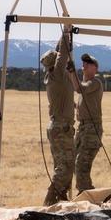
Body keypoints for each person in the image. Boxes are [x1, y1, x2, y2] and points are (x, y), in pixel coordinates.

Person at [40, 23, 76, 205]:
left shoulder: (54, 77)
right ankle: (50, 199)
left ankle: (60, 198)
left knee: (63, 165)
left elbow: (61, 53)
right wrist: (66, 32)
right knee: (66, 166)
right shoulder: (56, 77)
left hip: (60, 126)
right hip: (62, 127)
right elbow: (62, 54)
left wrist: (64, 37)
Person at [67, 51, 104, 194]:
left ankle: (86, 194)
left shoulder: (94, 83)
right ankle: (86, 192)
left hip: (92, 129)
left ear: (95, 69)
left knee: (81, 164)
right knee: (75, 163)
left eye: (89, 63)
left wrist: (71, 72)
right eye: (84, 62)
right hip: (83, 128)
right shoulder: (84, 84)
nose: (85, 64)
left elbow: (79, 89)